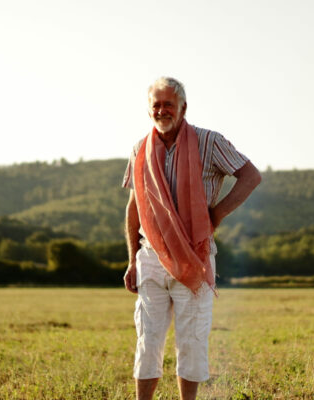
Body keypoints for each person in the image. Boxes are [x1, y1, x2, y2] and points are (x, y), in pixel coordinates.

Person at [122, 77, 261, 400]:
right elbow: (134, 206)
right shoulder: (139, 149)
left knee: (192, 341)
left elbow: (250, 176)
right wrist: (132, 260)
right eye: (155, 104)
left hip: (194, 255)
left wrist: (218, 214)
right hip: (150, 257)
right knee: (148, 339)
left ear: (183, 107)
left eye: (168, 104)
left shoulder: (209, 142)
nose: (161, 110)